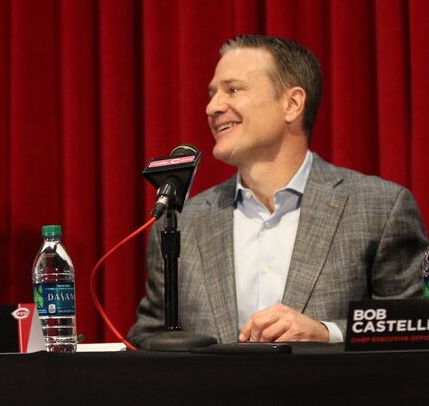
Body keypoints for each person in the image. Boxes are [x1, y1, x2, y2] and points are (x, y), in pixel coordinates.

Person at [129, 34, 427, 344]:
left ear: (292, 104)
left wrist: (327, 333)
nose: (213, 107)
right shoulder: (182, 222)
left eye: (232, 89)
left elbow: (413, 329)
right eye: (212, 93)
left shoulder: (379, 208)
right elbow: (148, 335)